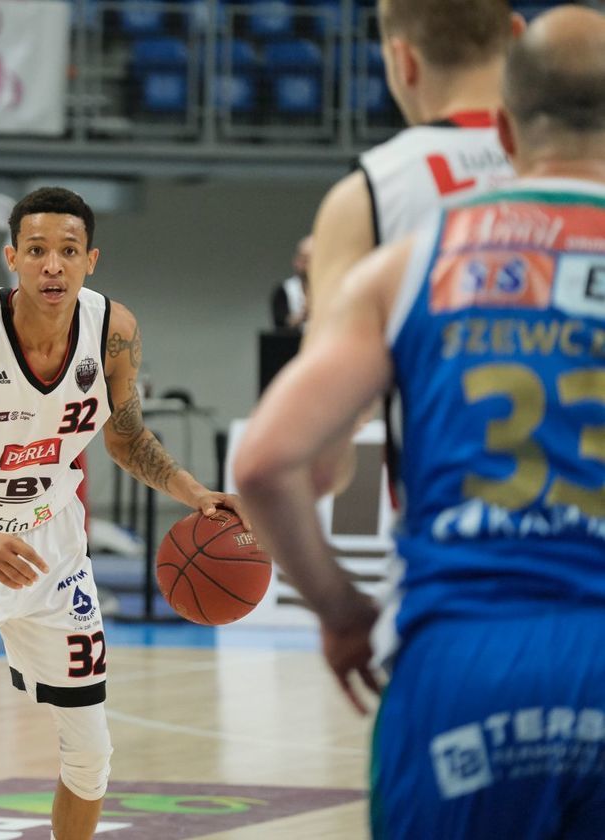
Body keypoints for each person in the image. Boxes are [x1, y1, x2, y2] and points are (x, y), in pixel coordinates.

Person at [235, 8, 605, 836]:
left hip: (461, 657)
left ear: (506, 128)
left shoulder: (411, 259)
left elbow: (269, 463)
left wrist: (340, 612)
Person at [0, 187, 240, 840]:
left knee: (92, 756)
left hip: (53, 554)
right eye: (37, 250)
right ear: (12, 257)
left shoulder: (114, 332)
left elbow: (125, 438)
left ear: (90, 260)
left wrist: (194, 492)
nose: (53, 265)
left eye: (68, 251)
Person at [305, 0, 523, 491]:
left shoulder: (368, 193)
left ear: (402, 59)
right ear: (516, 34)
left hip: (447, 540)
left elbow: (319, 454)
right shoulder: (582, 174)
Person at [270, 235, 310, 331]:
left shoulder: (329, 290)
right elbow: (281, 323)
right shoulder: (284, 290)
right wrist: (303, 316)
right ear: (296, 261)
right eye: (304, 259)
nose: (308, 265)